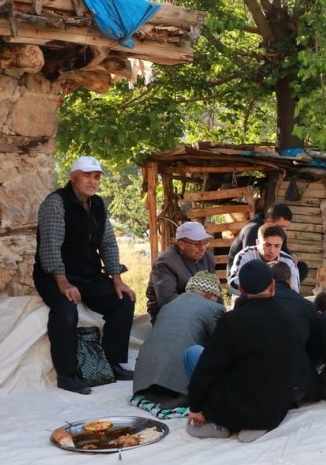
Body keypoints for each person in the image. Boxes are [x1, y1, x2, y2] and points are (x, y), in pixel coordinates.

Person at [33, 156, 136, 395]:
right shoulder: (56, 203)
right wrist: (63, 283)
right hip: (55, 273)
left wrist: (117, 280)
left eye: (97, 176)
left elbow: (108, 243)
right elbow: (50, 246)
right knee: (66, 311)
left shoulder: (98, 205)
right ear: (73, 177)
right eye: (87, 175)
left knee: (123, 300)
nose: (93, 181)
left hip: (88, 273)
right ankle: (66, 375)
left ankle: (111, 363)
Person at [186, 260, 295, 443]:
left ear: (242, 290)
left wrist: (196, 408)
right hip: (274, 409)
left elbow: (207, 369)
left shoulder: (231, 321)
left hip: (235, 409)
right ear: (272, 285)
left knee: (194, 355)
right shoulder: (288, 316)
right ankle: (256, 425)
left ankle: (220, 424)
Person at [133, 272, 225, 408]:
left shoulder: (168, 306)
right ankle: (186, 395)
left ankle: (158, 391)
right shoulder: (214, 308)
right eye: (217, 296)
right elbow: (221, 345)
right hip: (179, 380)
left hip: (144, 381)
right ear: (211, 294)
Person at [267, 261, 321, 403]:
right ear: (289, 280)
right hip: (298, 381)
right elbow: (316, 348)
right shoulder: (307, 306)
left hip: (263, 381)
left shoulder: (253, 305)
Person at [146, 221, 216, 320]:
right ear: (181, 244)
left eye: (205, 242)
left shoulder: (208, 258)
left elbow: (215, 291)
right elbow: (168, 301)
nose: (202, 248)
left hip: (202, 311)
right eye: (197, 244)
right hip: (170, 316)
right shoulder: (165, 263)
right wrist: (203, 304)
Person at [227, 224, 300, 292]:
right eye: (267, 245)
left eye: (277, 246)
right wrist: (260, 293)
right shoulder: (244, 256)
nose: (272, 250)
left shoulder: (288, 261)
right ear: (257, 242)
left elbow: (294, 290)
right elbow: (232, 285)